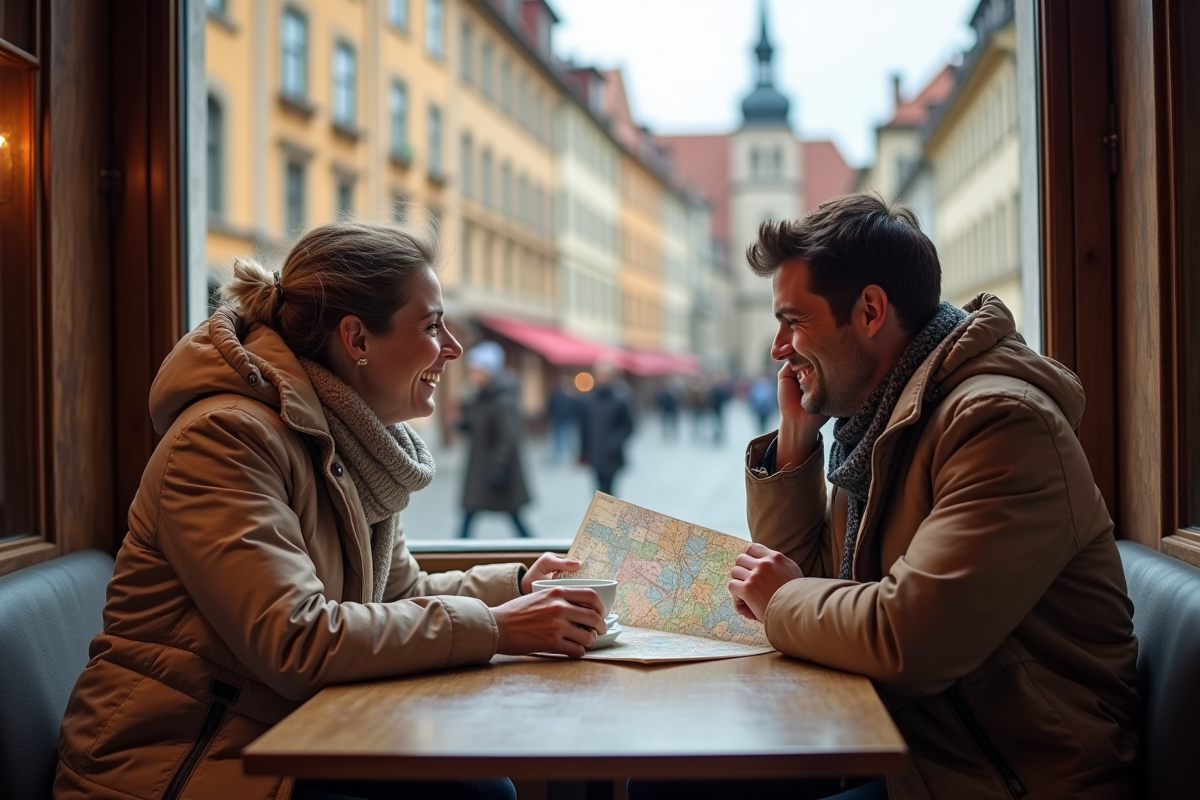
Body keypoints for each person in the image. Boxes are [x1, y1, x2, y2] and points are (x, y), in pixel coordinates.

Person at [55, 222, 608, 800]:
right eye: (431, 326)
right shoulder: (224, 439)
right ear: (358, 339)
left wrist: (516, 584)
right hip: (177, 768)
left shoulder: (350, 442)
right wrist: (498, 627)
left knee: (478, 785)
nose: (454, 348)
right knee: (477, 792)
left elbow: (396, 593)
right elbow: (296, 639)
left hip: (283, 735)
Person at [714, 194, 1137, 799]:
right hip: (907, 750)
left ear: (869, 310)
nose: (779, 347)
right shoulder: (880, 424)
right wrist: (795, 440)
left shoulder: (998, 422)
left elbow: (904, 641)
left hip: (1009, 777)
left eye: (794, 320)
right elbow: (810, 588)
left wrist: (781, 597)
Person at [458, 340, 534, 539]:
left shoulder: (502, 400)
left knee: (513, 516)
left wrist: (498, 465)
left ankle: (535, 549)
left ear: (487, 371)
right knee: (470, 514)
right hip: (481, 468)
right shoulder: (480, 396)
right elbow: (473, 425)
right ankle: (457, 550)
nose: (472, 374)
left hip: (495, 469)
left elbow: (508, 436)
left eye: (475, 369)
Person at [576, 362, 634, 497]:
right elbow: (583, 428)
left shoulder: (620, 400)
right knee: (598, 489)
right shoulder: (587, 401)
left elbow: (628, 426)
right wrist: (583, 451)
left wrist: (614, 443)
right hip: (594, 452)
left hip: (612, 454)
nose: (602, 378)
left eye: (605, 375)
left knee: (610, 489)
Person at [546, 375, 578, 462]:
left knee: (564, 435)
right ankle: (559, 452)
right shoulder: (557, 395)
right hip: (558, 418)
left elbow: (573, 407)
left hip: (565, 418)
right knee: (559, 435)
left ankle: (564, 452)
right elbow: (551, 406)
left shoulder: (569, 396)